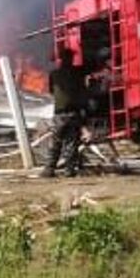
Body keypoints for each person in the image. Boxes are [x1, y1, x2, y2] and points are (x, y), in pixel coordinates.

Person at [43, 44, 88, 178]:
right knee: (71, 143)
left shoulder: (54, 74)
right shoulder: (77, 73)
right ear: (71, 59)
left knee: (55, 142)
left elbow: (51, 91)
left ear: (61, 59)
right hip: (74, 113)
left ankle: (49, 169)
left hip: (59, 114)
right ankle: (69, 170)